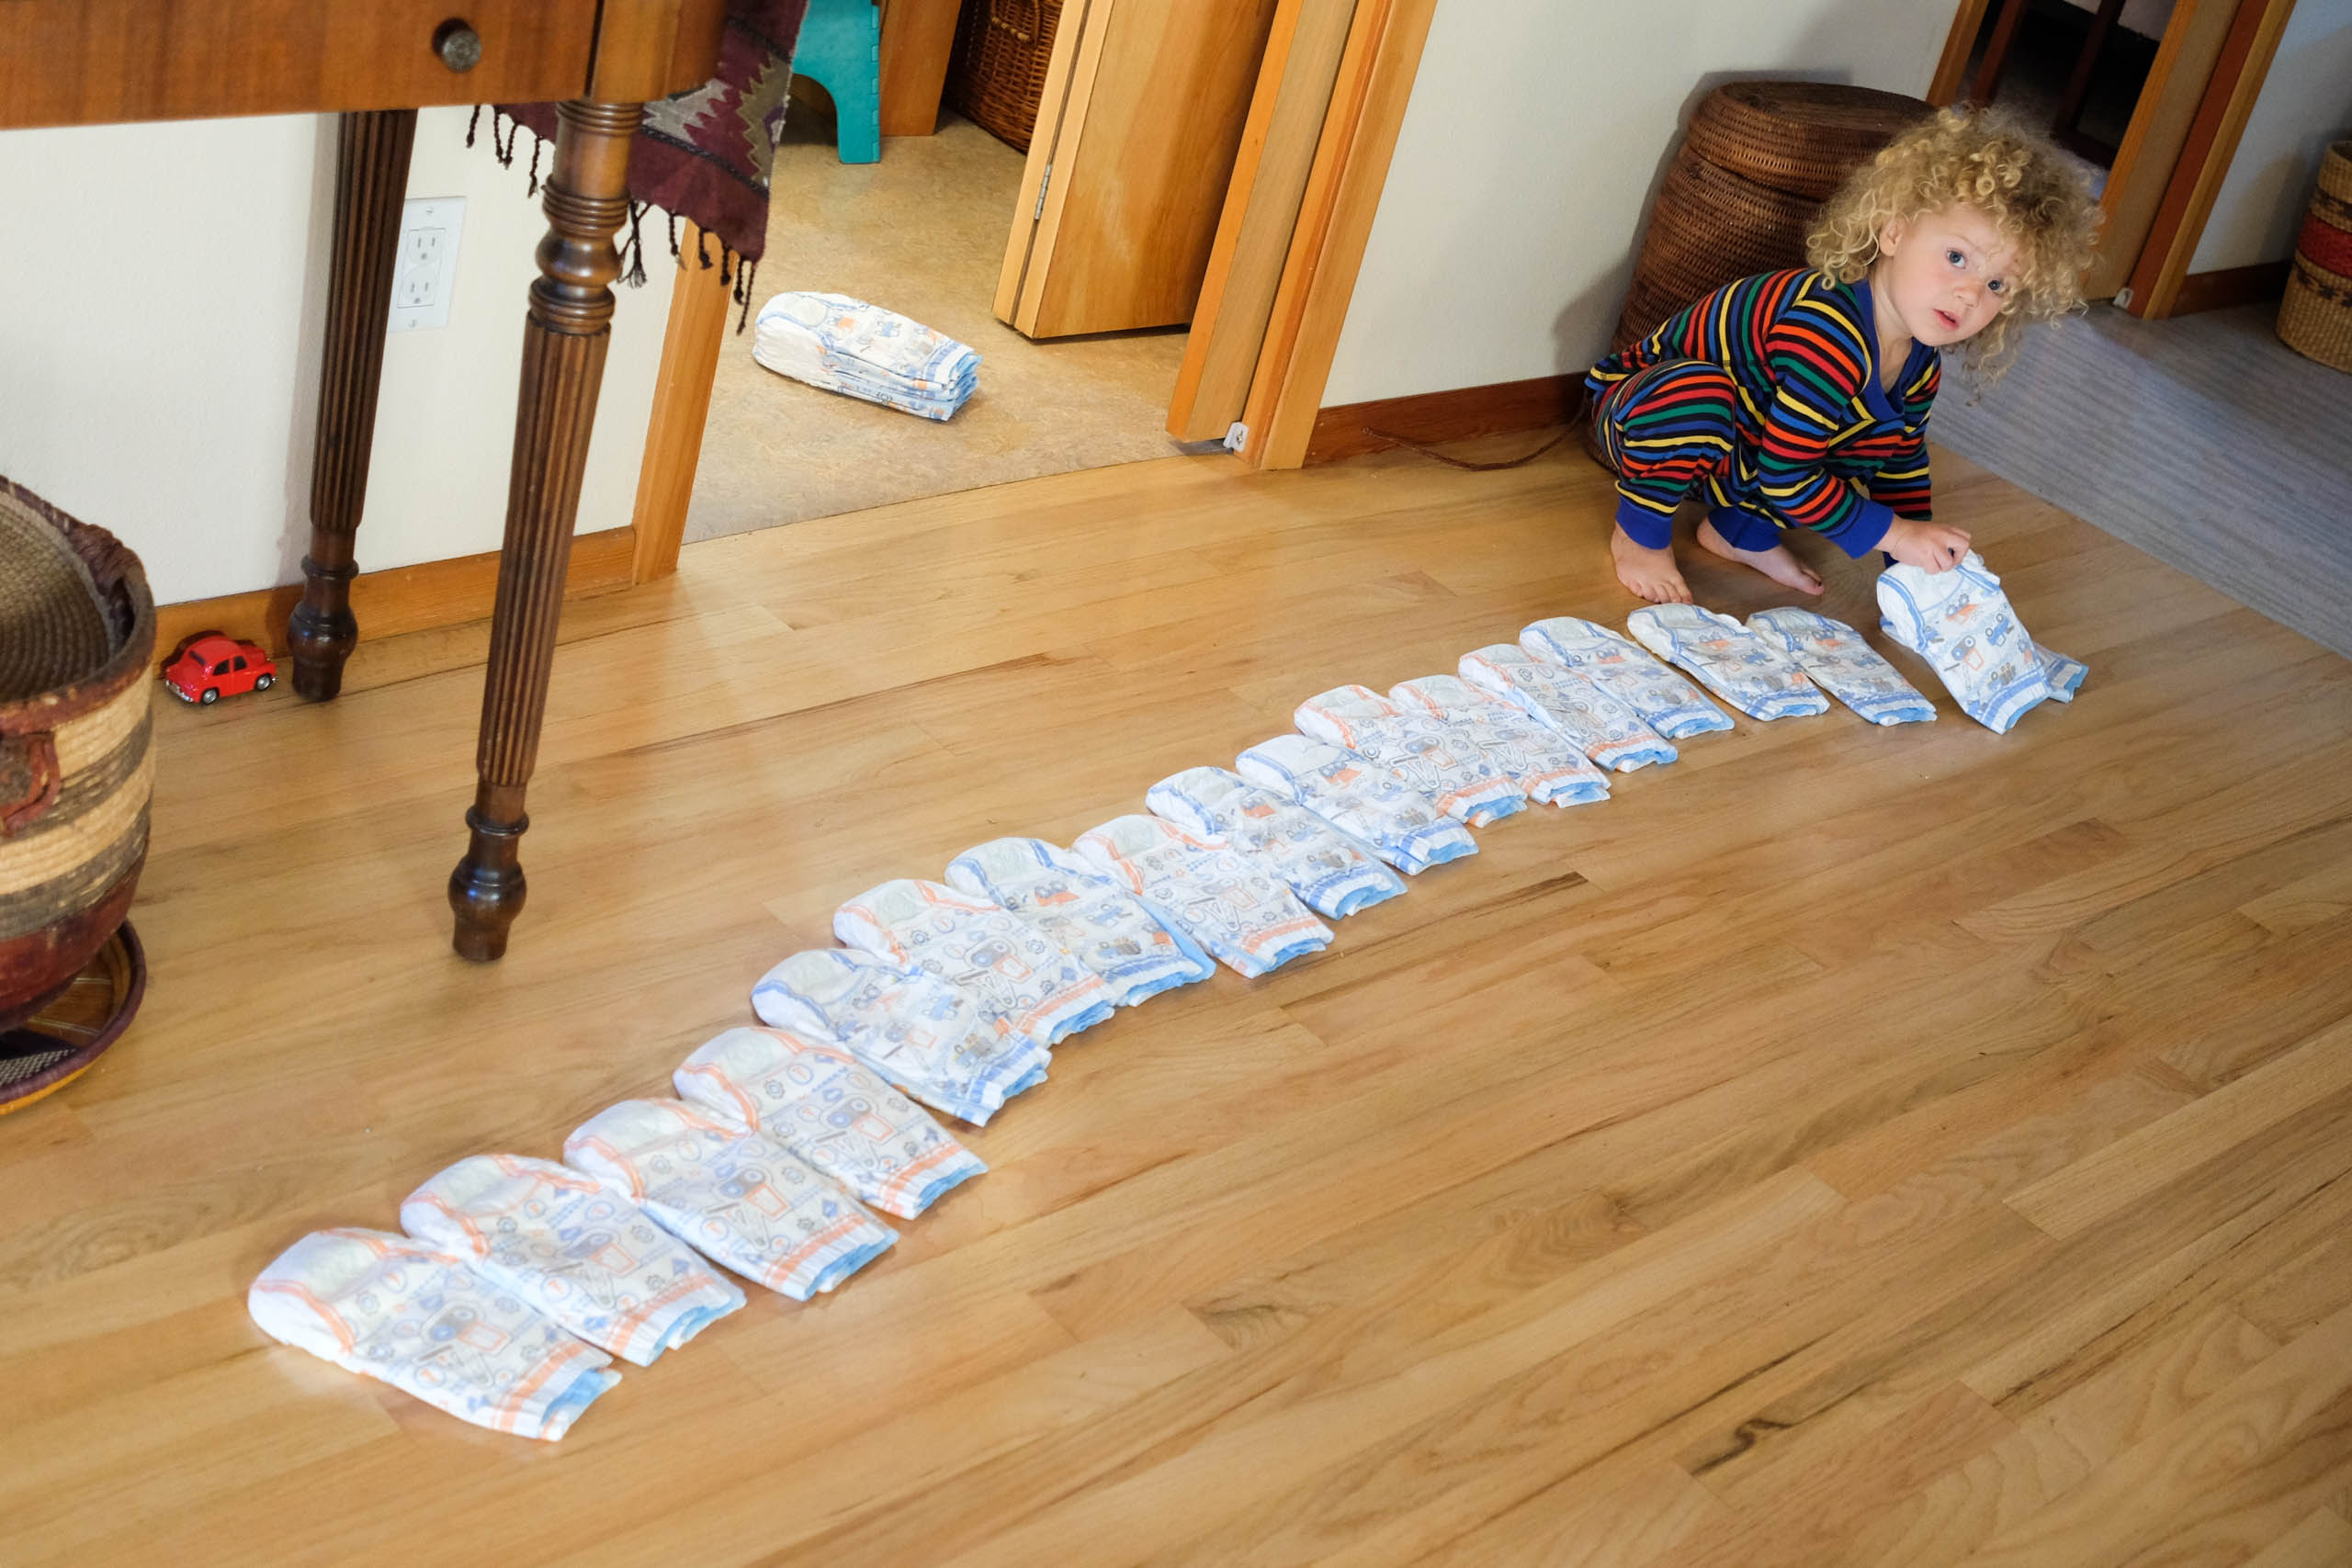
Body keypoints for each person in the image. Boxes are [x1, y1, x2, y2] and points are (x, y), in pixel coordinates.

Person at [1584, 106, 2102, 604]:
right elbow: (1786, 477)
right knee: (1706, 402)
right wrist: (1894, 535)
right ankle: (1641, 535)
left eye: (1995, 284)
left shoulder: (1919, 363)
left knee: (1860, 442)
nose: (1969, 294)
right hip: (1645, 414)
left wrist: (1912, 566)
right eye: (1955, 257)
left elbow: (1901, 464)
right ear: (1895, 232)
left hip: (1743, 441)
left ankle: (1737, 531)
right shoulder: (1827, 331)